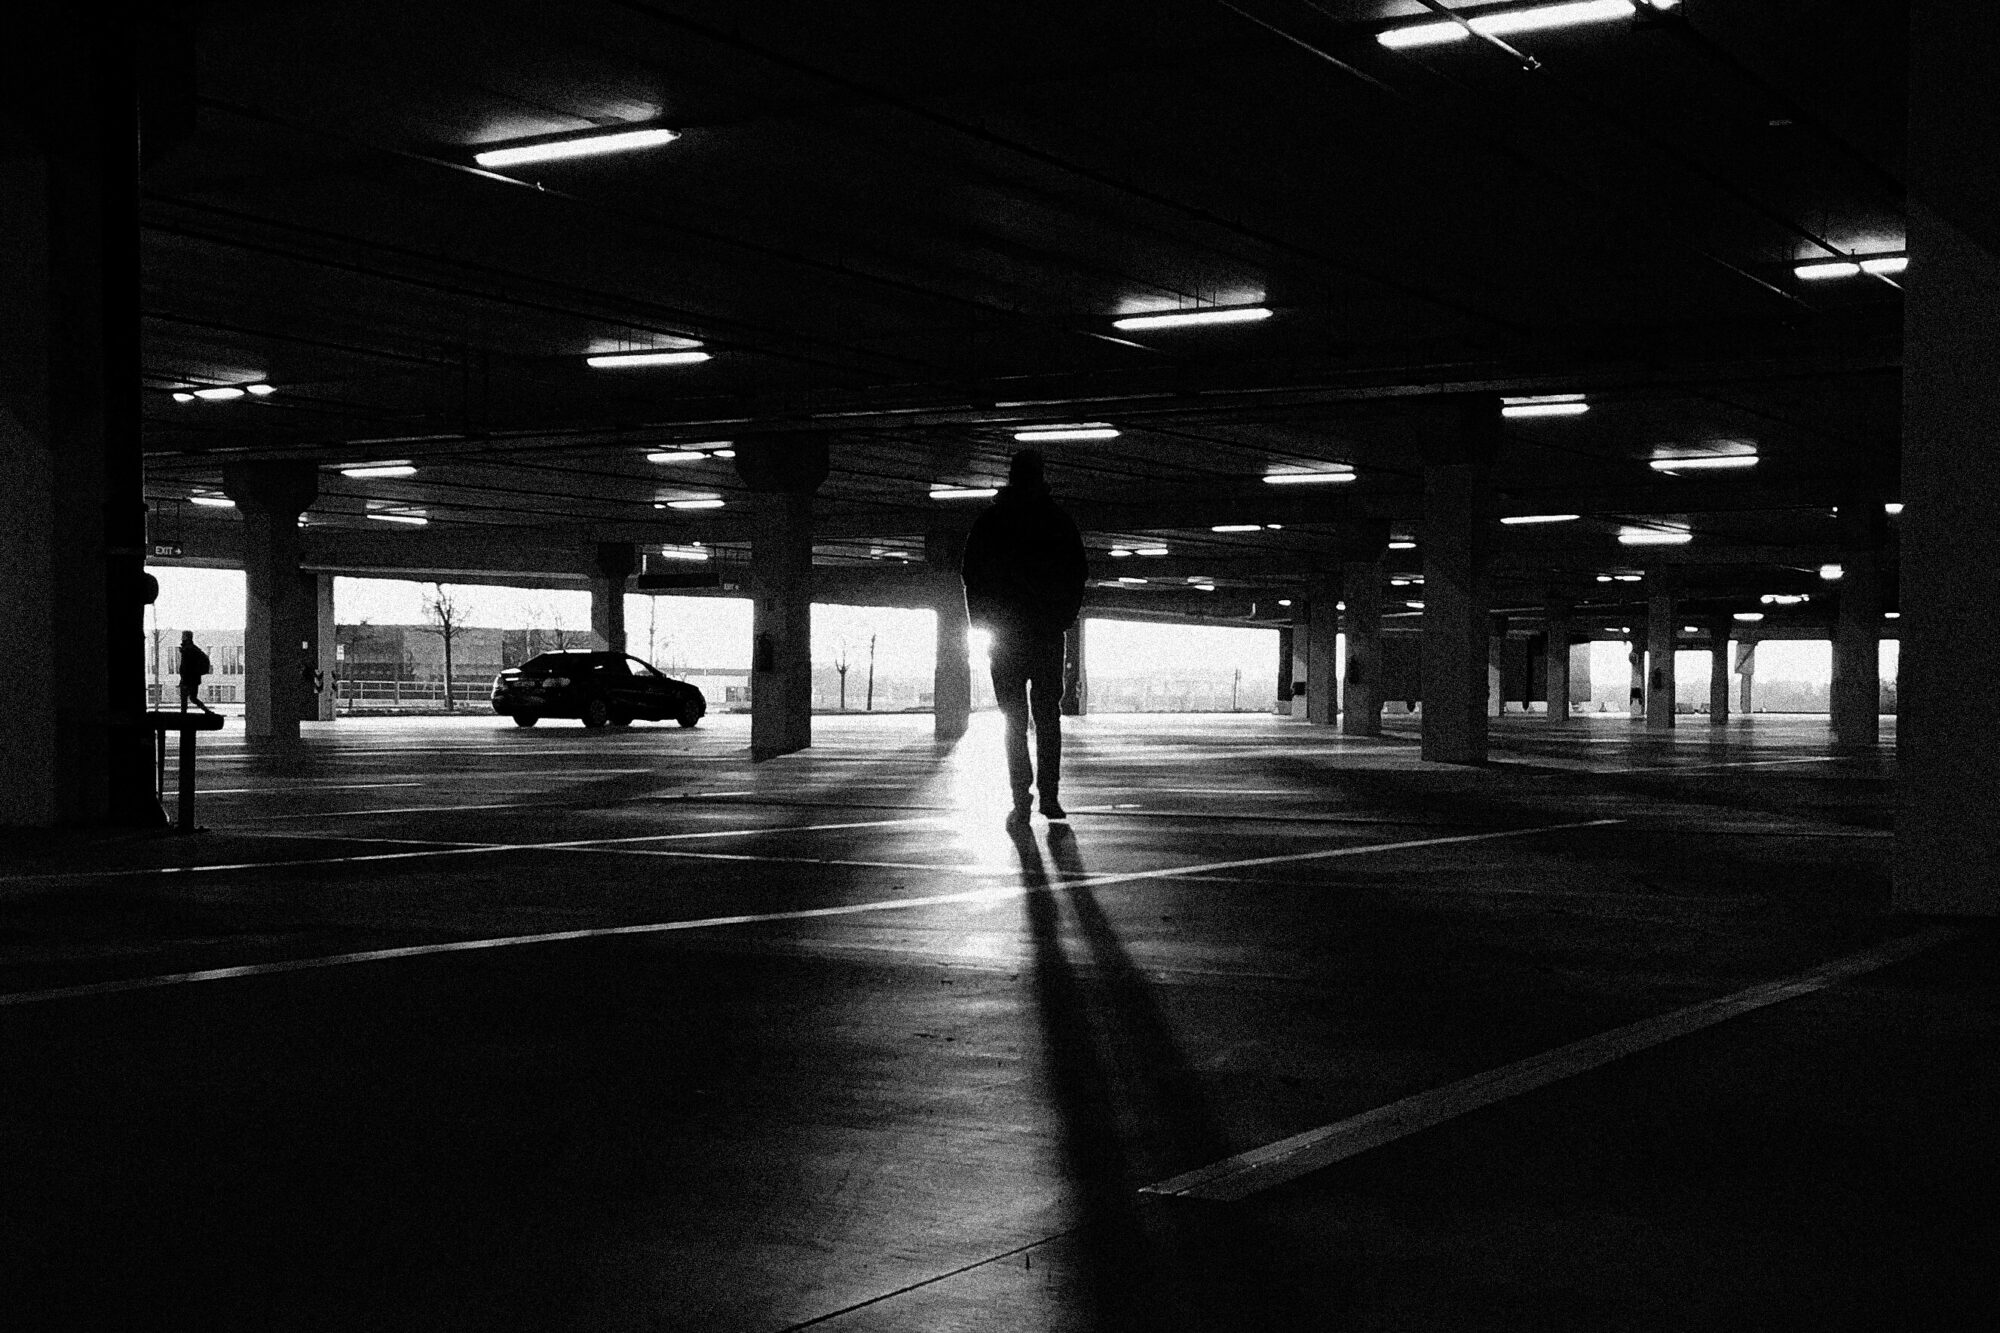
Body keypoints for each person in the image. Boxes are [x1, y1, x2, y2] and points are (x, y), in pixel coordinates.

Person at [961, 449, 1088, 820]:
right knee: (1048, 717)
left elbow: (972, 578)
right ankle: (1049, 796)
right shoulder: (1058, 521)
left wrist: (982, 627)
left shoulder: (991, 522)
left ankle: (1022, 800)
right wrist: (1062, 619)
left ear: (1011, 476)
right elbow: (1076, 574)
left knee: (1013, 721)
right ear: (1041, 476)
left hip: (1006, 638)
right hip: (1046, 635)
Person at [177, 631, 216, 715]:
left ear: (186, 637)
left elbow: (186, 666)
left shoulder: (188, 649)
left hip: (187, 678)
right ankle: (207, 711)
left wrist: (184, 675)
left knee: (184, 699)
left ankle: (183, 717)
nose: (181, 638)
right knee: (193, 698)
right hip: (193, 679)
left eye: (183, 636)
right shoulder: (193, 648)